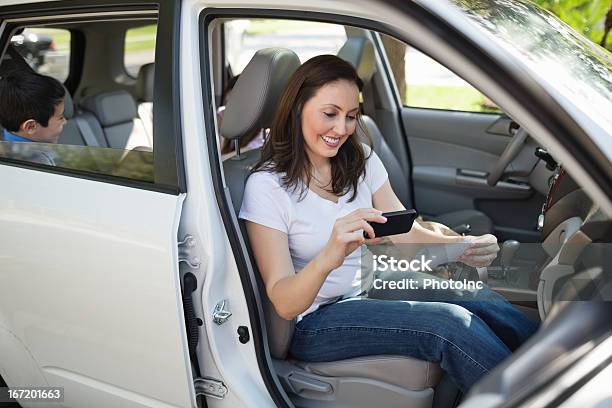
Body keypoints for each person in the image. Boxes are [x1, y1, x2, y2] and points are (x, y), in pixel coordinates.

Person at [239, 55, 538, 392]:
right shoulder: (267, 186)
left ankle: (559, 368)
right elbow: (284, 300)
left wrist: (461, 248)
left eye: (351, 117)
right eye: (330, 114)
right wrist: (331, 253)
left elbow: (405, 231)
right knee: (446, 325)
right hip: (314, 321)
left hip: (367, 282)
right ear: (297, 108)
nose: (341, 129)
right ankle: (533, 398)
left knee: (472, 295)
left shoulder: (359, 159)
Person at [0, 70, 66, 165]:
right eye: (60, 117)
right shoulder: (39, 162)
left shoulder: (6, 137)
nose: (65, 121)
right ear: (31, 127)